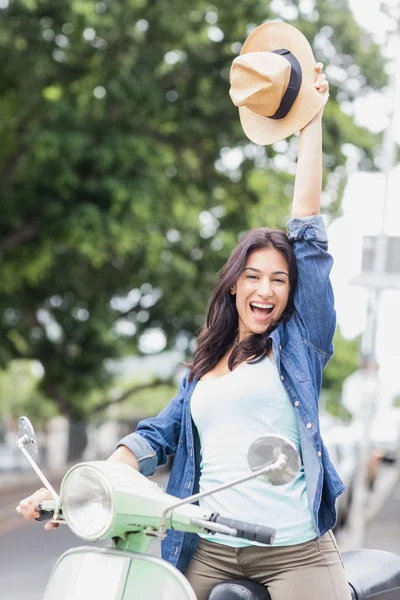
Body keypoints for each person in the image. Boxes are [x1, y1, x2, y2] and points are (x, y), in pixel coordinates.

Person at [17, 21, 351, 600]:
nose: (266, 289)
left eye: (279, 280)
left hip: (294, 552)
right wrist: (82, 487)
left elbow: (309, 232)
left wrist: (311, 123)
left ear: (293, 294)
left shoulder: (301, 345)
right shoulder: (203, 369)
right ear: (231, 288)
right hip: (210, 550)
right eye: (252, 276)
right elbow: (156, 436)